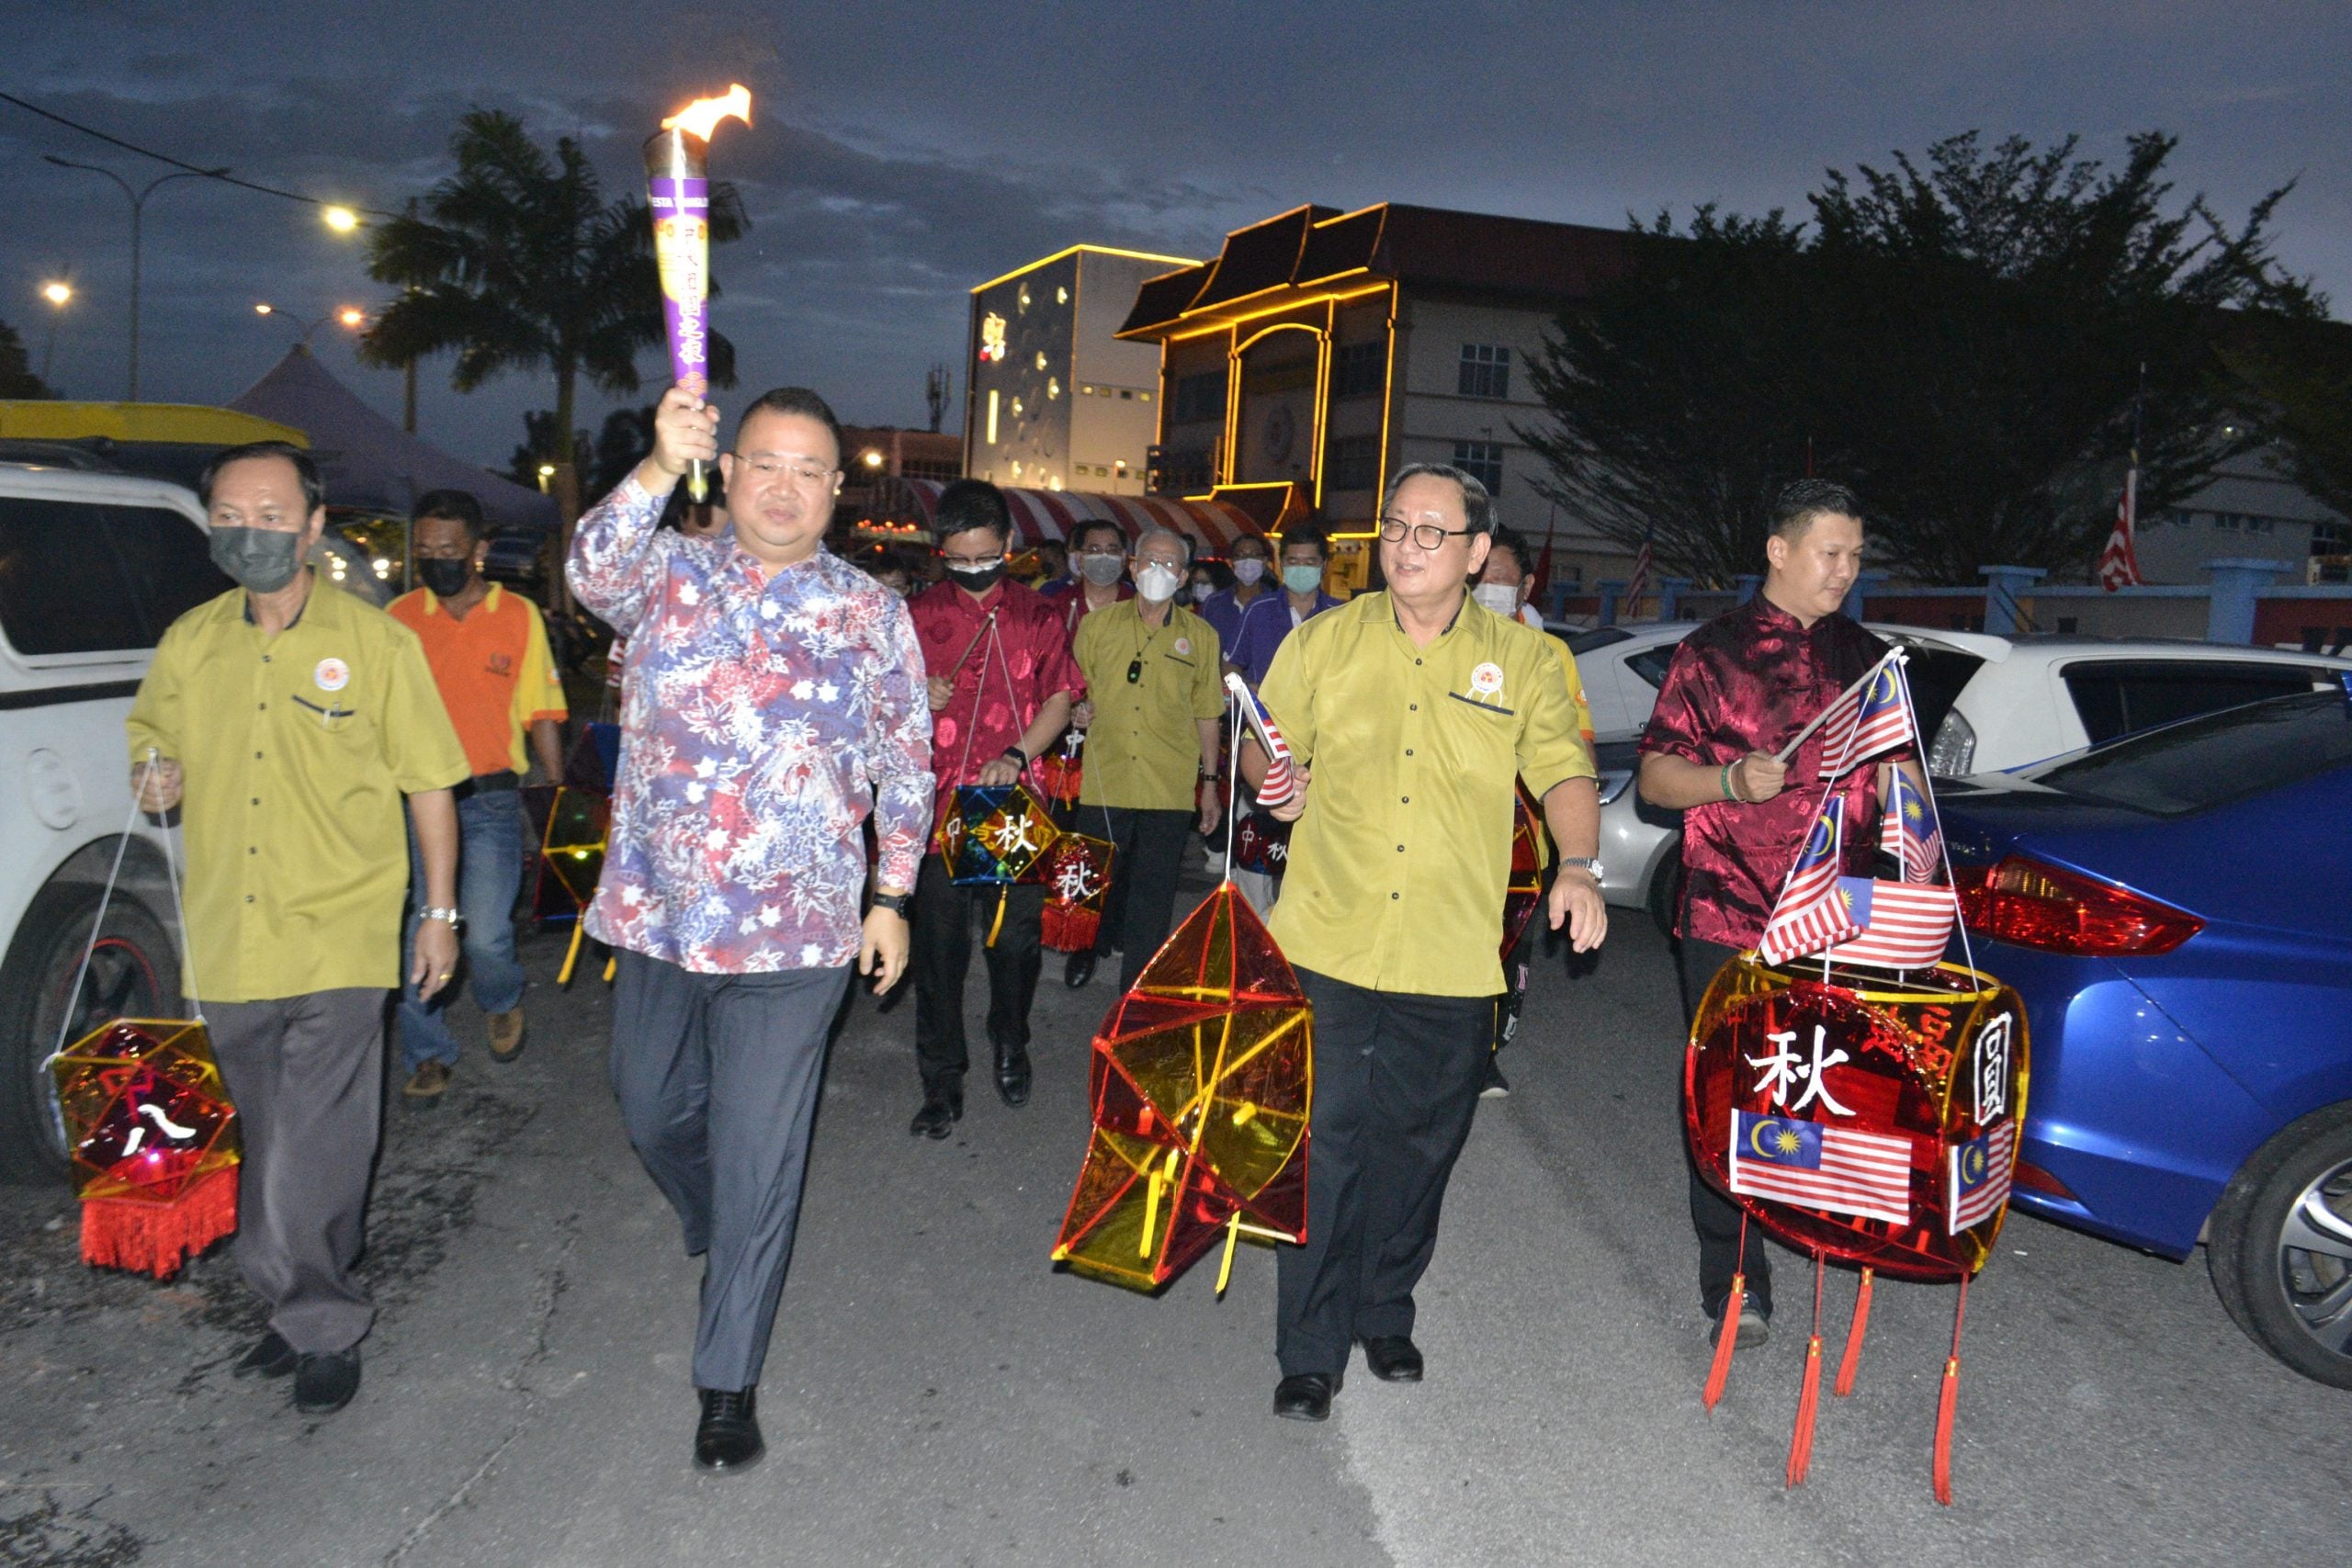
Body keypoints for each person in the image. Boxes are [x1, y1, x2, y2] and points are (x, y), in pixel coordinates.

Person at [568, 383, 932, 1473]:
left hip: (798, 939)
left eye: (809, 470)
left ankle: (726, 1381)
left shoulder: (871, 612)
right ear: (726, 474)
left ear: (836, 493)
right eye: (764, 463)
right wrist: (648, 464)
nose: (784, 487)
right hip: (662, 919)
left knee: (762, 1156)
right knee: (648, 1106)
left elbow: (907, 764)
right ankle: (717, 1220)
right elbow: (588, 569)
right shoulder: (667, 574)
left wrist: (893, 896)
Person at [1241, 462, 1604, 1423]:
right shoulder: (1324, 640)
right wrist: (1271, 781)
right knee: (1323, 1141)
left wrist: (1578, 865)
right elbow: (1265, 742)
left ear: (1478, 553)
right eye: (1396, 525)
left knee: (1419, 1146)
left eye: (1431, 531)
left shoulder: (1524, 662)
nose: (1406, 544)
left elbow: (1564, 767)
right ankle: (1309, 1350)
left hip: (1448, 955)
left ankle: (1383, 1308)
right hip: (1326, 935)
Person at [126, 441, 469, 1416]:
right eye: (233, 515)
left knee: (318, 1137)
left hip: (340, 931)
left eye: (273, 515)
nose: (253, 532)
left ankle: (322, 1321)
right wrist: (156, 777)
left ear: (316, 527)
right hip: (228, 936)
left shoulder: (377, 645)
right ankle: (287, 1297)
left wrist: (438, 915)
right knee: (262, 1136)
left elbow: (430, 784)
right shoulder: (191, 641)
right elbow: (151, 742)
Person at [1635, 478, 1924, 1351]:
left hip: (1836, 918)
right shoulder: (1711, 656)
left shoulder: (1868, 662)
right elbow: (1653, 778)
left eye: (1856, 556)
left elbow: (1904, 787)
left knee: (1820, 1095)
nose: (1846, 570)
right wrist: (1727, 779)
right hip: (1730, 912)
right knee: (1732, 1096)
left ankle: (1819, 1232)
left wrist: (1900, 798)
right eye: (1831, 552)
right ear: (1780, 550)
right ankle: (1733, 1276)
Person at [906, 479, 1080, 1138]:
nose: (975, 569)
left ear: (1008, 545)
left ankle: (1010, 1036)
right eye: (960, 559)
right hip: (936, 812)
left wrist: (1016, 749)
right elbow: (878, 704)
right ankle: (941, 1081)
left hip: (1009, 808)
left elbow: (1061, 700)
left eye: (986, 556)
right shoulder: (917, 617)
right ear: (940, 551)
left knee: (1014, 945)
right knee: (940, 955)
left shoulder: (1038, 616)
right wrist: (914, 692)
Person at [387, 489, 570, 1102]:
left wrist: (553, 787)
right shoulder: (399, 620)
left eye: (449, 549)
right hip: (415, 801)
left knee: (488, 932)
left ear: (478, 550)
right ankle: (428, 1051)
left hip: (490, 800)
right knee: (420, 926)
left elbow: (541, 710)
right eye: (425, 550)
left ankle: (500, 998)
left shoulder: (517, 616)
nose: (436, 559)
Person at [1064, 525, 1223, 991]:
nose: (1157, 569)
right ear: (1132, 566)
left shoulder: (1201, 636)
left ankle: (1136, 989)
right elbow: (1071, 692)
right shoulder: (1097, 627)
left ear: (1184, 576)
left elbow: (1207, 714)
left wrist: (1209, 784)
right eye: (1149, 560)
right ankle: (1084, 949)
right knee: (1094, 881)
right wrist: (1078, 709)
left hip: (1167, 785)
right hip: (1103, 777)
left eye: (1169, 563)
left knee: (1153, 896)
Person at [1473, 526, 1598, 1099]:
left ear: (1525, 587)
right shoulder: (1449, 640)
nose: (1491, 589)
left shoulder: (1553, 655)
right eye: (1482, 578)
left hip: (1525, 840)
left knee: (1508, 947)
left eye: (1503, 580)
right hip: (1454, 832)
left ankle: (1486, 1052)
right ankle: (1449, 1055)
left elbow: (1579, 749)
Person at [1228, 525, 1341, 688]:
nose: (1301, 568)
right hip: (1266, 712)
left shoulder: (1339, 614)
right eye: (1293, 562)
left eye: (1310, 562)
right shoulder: (1258, 610)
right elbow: (1231, 663)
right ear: (1282, 564)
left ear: (1323, 565)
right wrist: (1246, 690)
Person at [1198, 532, 1273, 656]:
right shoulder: (1214, 604)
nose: (1247, 561)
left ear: (1264, 561)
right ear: (1232, 562)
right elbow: (1201, 646)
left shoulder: (1276, 603)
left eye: (1254, 555)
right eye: (1240, 556)